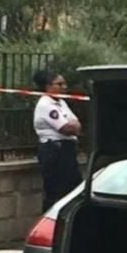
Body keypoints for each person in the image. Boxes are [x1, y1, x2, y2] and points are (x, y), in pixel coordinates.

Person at [32, 70, 82, 212]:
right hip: (54, 151)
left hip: (66, 150)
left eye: (64, 83)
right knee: (55, 192)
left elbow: (77, 124)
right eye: (59, 84)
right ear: (48, 86)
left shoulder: (61, 102)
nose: (64, 87)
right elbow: (66, 128)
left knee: (73, 189)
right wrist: (73, 126)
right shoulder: (46, 105)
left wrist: (74, 126)